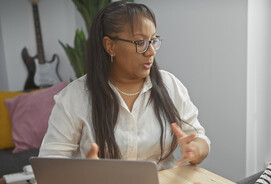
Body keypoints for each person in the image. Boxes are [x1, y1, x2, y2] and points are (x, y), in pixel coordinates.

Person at [39, 1, 210, 170]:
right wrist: (85, 174)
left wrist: (195, 149)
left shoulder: (170, 85)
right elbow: (49, 168)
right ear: (110, 46)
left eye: (153, 40)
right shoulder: (74, 97)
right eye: (140, 42)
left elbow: (198, 137)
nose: (151, 51)